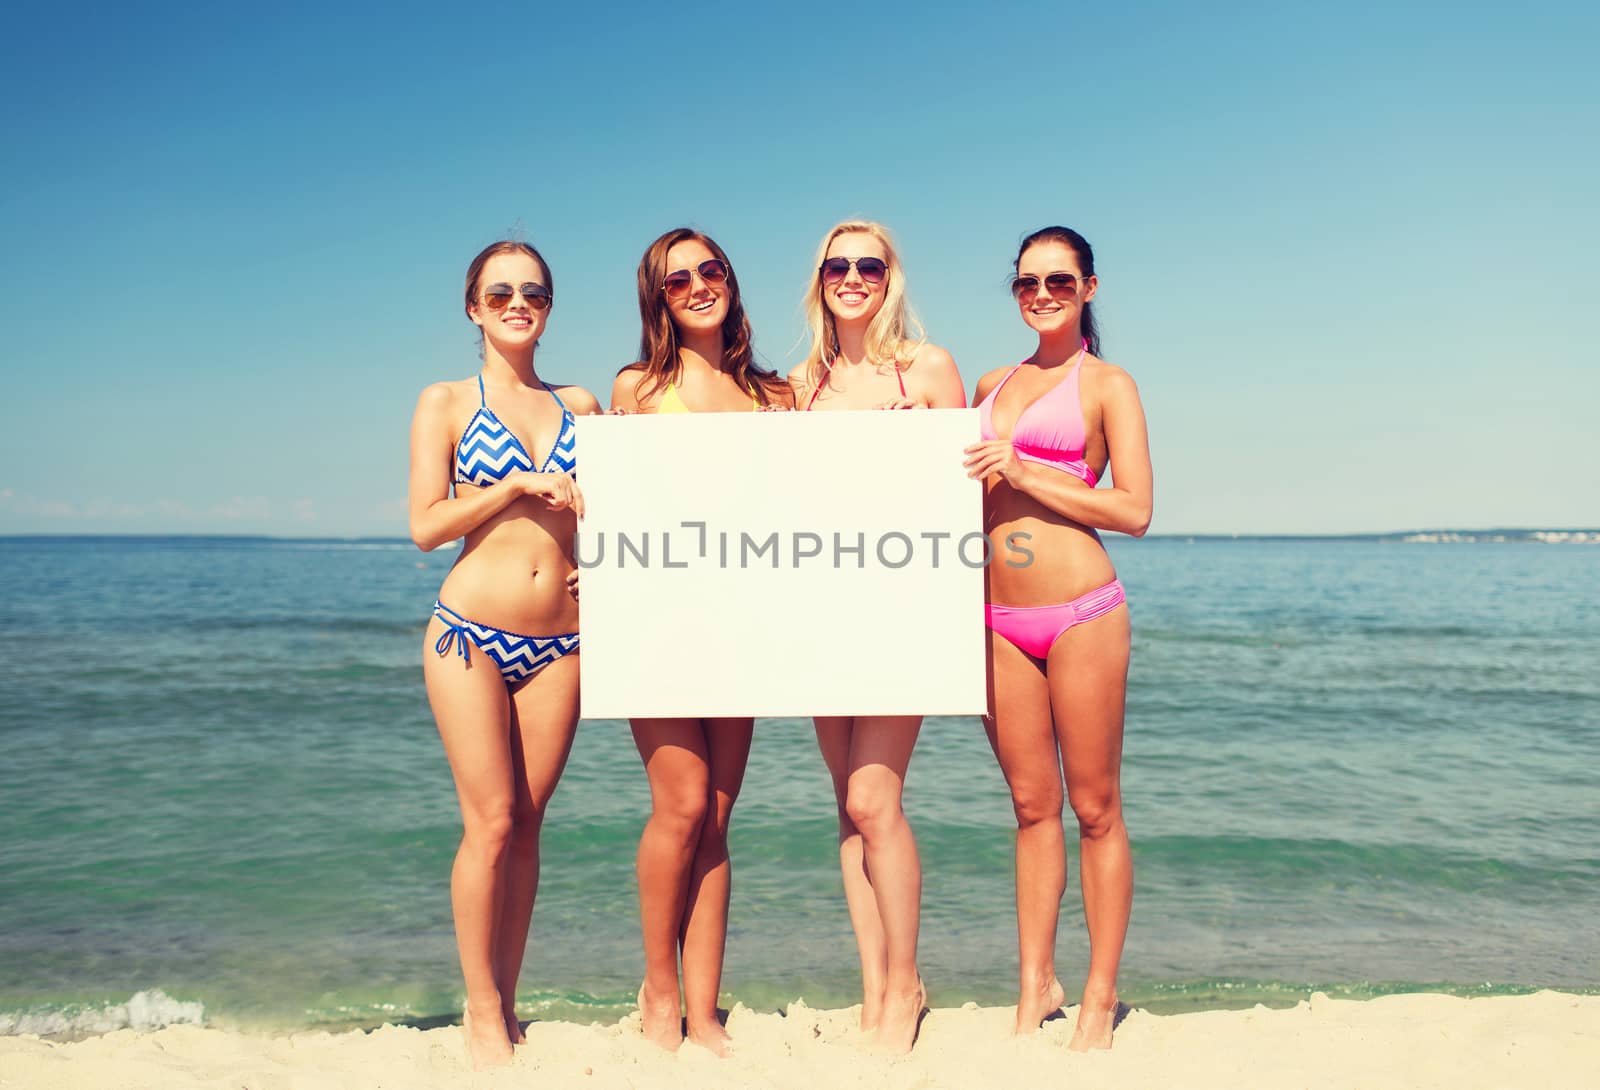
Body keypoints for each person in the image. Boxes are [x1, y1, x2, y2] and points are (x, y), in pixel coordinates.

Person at [407, 240, 601, 1069]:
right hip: (468, 635)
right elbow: (424, 526)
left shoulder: (582, 405)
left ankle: (512, 1000)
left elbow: (638, 507)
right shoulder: (446, 401)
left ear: (548, 307)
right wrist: (516, 487)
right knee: (488, 821)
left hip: (561, 642)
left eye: (533, 291)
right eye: (500, 292)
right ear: (473, 308)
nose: (518, 302)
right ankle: (481, 1010)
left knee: (528, 824)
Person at [962, 225, 1152, 1050]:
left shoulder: (1108, 384)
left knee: (1095, 808)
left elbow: (1135, 510)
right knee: (1031, 808)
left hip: (1081, 612)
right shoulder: (989, 380)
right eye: (1028, 282)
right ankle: (1036, 981)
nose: (1042, 294)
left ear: (1090, 289)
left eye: (1060, 282)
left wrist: (1029, 471)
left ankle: (1101, 995)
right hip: (995, 620)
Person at [610, 228, 793, 1055]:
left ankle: (706, 1006)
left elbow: (818, 503)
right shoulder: (638, 391)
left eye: (708, 270)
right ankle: (658, 989)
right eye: (676, 279)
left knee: (718, 818)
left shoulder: (776, 398)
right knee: (678, 808)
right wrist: (596, 568)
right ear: (658, 298)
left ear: (730, 279)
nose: (696, 287)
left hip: (745, 623)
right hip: (660, 619)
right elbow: (617, 504)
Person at [788, 220, 966, 1053]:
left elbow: (962, 495)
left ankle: (906, 984)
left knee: (874, 798)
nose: (852, 276)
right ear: (820, 279)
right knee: (846, 809)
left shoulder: (925, 368)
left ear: (890, 277)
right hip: (824, 612)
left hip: (906, 609)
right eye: (837, 264)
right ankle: (873, 985)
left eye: (869, 264)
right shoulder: (802, 385)